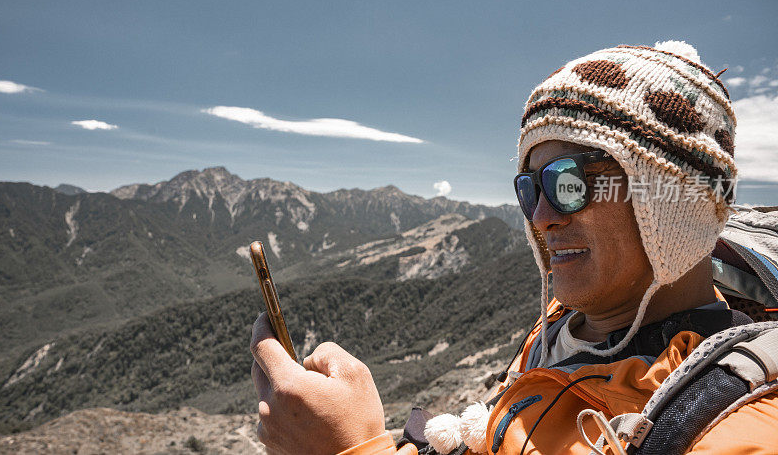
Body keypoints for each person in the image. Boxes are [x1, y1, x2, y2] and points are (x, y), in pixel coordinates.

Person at [250, 41, 778, 454]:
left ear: (675, 199)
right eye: (528, 188)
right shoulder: (564, 325)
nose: (542, 218)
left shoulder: (731, 429)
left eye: (569, 184)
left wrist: (350, 450)